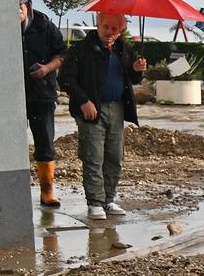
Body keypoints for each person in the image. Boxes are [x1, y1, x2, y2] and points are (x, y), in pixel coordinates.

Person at [59, 12, 146, 221]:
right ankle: (95, 202)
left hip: (117, 108)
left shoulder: (124, 50)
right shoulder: (82, 49)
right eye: (106, 26)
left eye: (114, 28)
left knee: (115, 156)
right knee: (93, 156)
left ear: (121, 30)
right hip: (91, 108)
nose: (109, 31)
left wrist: (137, 70)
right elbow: (65, 78)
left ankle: (109, 198)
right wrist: (83, 101)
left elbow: (132, 79)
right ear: (98, 25)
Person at [20, 0, 66, 208]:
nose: (16, 11)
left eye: (19, 6)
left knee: (45, 142)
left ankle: (47, 191)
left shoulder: (44, 25)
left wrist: (47, 68)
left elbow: (62, 53)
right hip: (10, 97)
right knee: (9, 143)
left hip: (41, 94)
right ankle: (11, 191)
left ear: (27, 6)